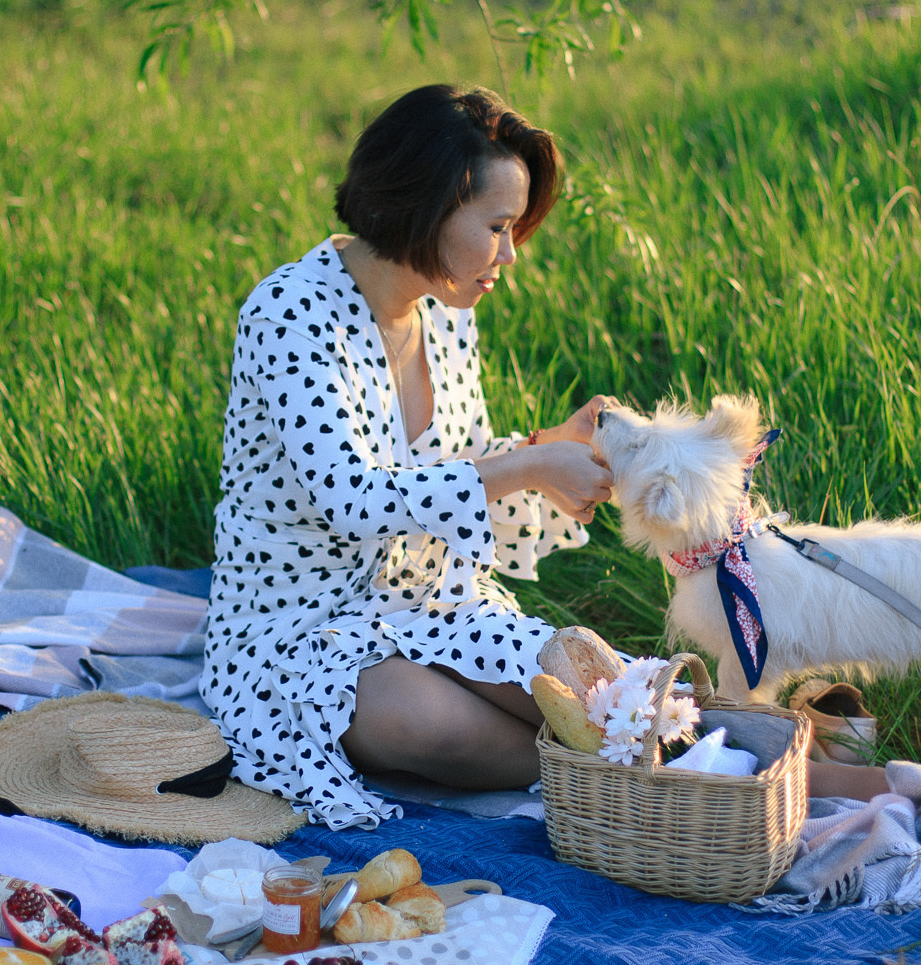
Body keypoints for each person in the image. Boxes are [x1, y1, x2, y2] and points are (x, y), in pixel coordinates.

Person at [199, 84, 613, 829]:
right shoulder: (289, 313)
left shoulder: (445, 313)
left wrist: (554, 446)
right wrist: (528, 470)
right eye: (496, 227)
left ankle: (788, 764)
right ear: (427, 209)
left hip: (428, 600)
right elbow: (352, 498)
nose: (510, 255)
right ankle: (678, 777)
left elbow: (460, 462)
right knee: (448, 729)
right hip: (296, 631)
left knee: (591, 690)